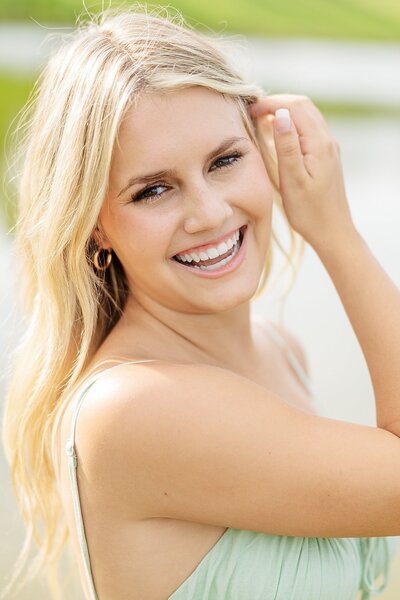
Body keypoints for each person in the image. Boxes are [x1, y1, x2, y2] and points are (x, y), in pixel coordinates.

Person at [2, 5, 399, 600]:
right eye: (153, 190)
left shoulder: (278, 350)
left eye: (225, 160)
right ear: (95, 228)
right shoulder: (134, 408)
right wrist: (336, 233)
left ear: (267, 150)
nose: (210, 213)